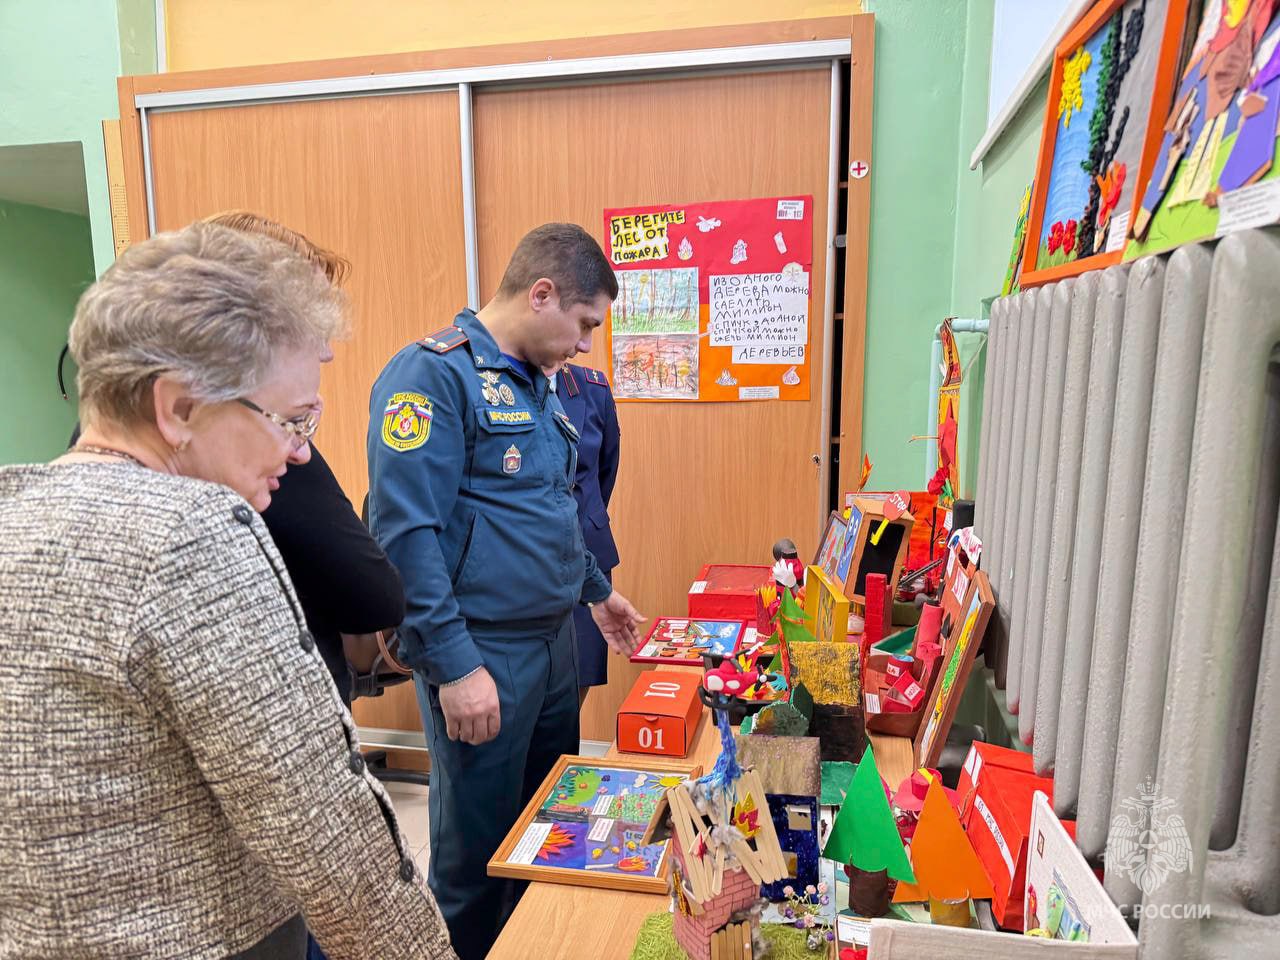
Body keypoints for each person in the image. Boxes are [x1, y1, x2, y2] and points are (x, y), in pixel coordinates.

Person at [0, 222, 456, 960]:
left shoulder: (14, 507)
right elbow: (323, 829)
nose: (300, 451)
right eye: (288, 420)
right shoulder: (191, 532)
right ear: (178, 409)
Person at [366, 222, 646, 960]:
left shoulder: (537, 382)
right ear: (543, 294)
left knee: (549, 831)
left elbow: (553, 505)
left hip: (554, 645)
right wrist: (455, 667)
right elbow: (405, 537)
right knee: (476, 858)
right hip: (484, 652)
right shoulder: (432, 377)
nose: (587, 343)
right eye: (585, 324)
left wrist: (595, 592)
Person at [550, 361, 622, 705]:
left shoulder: (592, 387)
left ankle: (564, 757)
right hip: (525, 564)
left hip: (586, 551)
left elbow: (604, 471)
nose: (583, 343)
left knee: (578, 679)